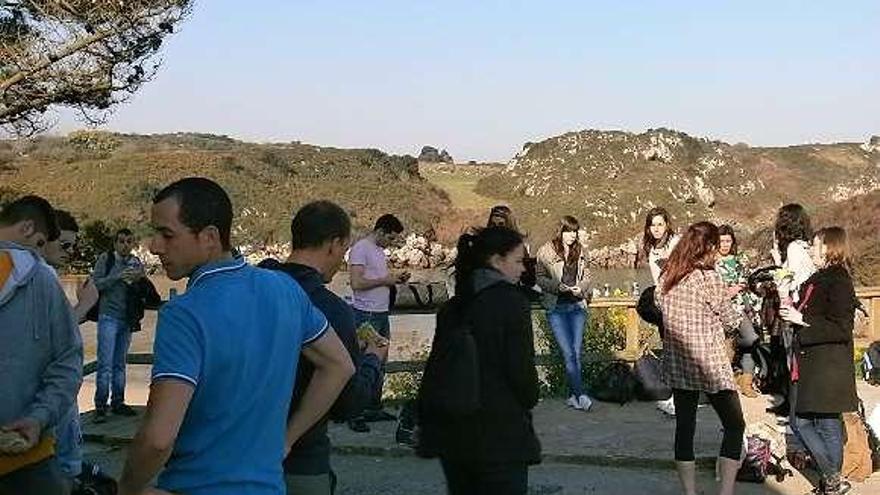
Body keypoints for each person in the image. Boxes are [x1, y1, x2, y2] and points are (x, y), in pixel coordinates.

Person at [118, 178, 354, 495]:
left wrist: (128, 488)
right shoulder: (285, 290)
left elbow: (159, 437)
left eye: (166, 234)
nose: (154, 246)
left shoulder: (184, 313)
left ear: (210, 237)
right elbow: (340, 366)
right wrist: (287, 439)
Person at [258, 201, 386, 495]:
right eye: (344, 250)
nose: (342, 259)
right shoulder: (332, 309)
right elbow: (347, 404)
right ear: (334, 244)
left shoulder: (256, 286)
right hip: (300, 461)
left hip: (240, 450)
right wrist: (371, 360)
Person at [420, 226, 541, 495]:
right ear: (497, 261)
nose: (523, 269)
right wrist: (531, 397)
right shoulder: (512, 303)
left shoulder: (453, 307)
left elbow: (436, 368)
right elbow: (522, 375)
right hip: (500, 436)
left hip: (455, 439)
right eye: (519, 261)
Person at [0, 196, 82, 495]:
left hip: (26, 456)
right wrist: (39, 417)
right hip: (28, 456)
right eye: (39, 244)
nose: (40, 255)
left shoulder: (40, 280)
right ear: (26, 229)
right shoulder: (43, 279)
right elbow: (68, 362)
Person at [655, 221, 745, 495]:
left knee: (685, 427)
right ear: (707, 248)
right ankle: (726, 492)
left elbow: (659, 306)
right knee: (734, 424)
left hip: (679, 362)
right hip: (709, 364)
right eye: (715, 247)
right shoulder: (709, 278)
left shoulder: (667, 276)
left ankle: (690, 492)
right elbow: (731, 320)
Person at [779, 227, 858, 495]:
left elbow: (842, 327)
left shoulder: (839, 280)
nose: (810, 250)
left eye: (815, 245)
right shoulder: (818, 278)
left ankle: (832, 481)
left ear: (829, 247)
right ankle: (832, 480)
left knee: (822, 422)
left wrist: (803, 321)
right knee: (807, 421)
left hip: (829, 366)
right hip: (814, 362)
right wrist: (789, 306)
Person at [347, 213, 408, 432]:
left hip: (381, 313)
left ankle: (373, 406)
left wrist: (392, 280)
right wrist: (385, 280)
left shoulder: (378, 252)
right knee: (365, 361)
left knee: (380, 362)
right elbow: (356, 282)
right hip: (367, 314)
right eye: (390, 238)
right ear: (380, 231)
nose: (390, 243)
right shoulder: (361, 249)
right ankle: (356, 412)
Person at [535, 215, 593, 411]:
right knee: (568, 353)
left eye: (575, 232)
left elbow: (587, 276)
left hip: (577, 306)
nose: (572, 235)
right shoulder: (546, 250)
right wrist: (557, 287)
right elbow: (539, 278)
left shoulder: (581, 251)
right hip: (556, 307)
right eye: (568, 231)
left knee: (576, 353)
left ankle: (572, 395)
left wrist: (581, 288)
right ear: (560, 231)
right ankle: (580, 394)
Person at [90, 228, 145, 422]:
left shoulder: (136, 261)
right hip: (108, 316)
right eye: (121, 241)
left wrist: (139, 278)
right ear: (115, 243)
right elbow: (96, 284)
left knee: (120, 363)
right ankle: (100, 406)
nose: (125, 245)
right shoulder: (106, 260)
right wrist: (118, 276)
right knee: (105, 363)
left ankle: (119, 402)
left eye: (129, 241)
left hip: (127, 318)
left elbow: (142, 288)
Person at [768, 203, 816, 417]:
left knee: (793, 361)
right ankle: (795, 405)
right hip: (807, 308)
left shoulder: (794, 249)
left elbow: (788, 279)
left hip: (795, 308)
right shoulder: (807, 246)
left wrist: (778, 262)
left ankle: (797, 409)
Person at [641, 206, 681, 416]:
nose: (656, 229)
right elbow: (657, 280)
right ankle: (675, 397)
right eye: (652, 225)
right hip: (664, 303)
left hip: (680, 302)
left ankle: (681, 399)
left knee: (678, 352)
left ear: (667, 225)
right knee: (669, 350)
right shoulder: (652, 249)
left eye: (660, 224)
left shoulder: (675, 243)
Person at [715, 225, 760, 398]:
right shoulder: (711, 261)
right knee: (722, 346)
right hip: (720, 309)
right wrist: (726, 291)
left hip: (741, 307)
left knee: (751, 339)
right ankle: (723, 384)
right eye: (721, 241)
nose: (725, 245)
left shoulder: (739, 259)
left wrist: (739, 288)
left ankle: (746, 381)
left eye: (728, 241)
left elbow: (746, 280)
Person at [487, 205, 536, 288]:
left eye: (501, 224)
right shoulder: (484, 246)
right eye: (493, 224)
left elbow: (529, 279)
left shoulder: (518, 247)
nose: (497, 228)